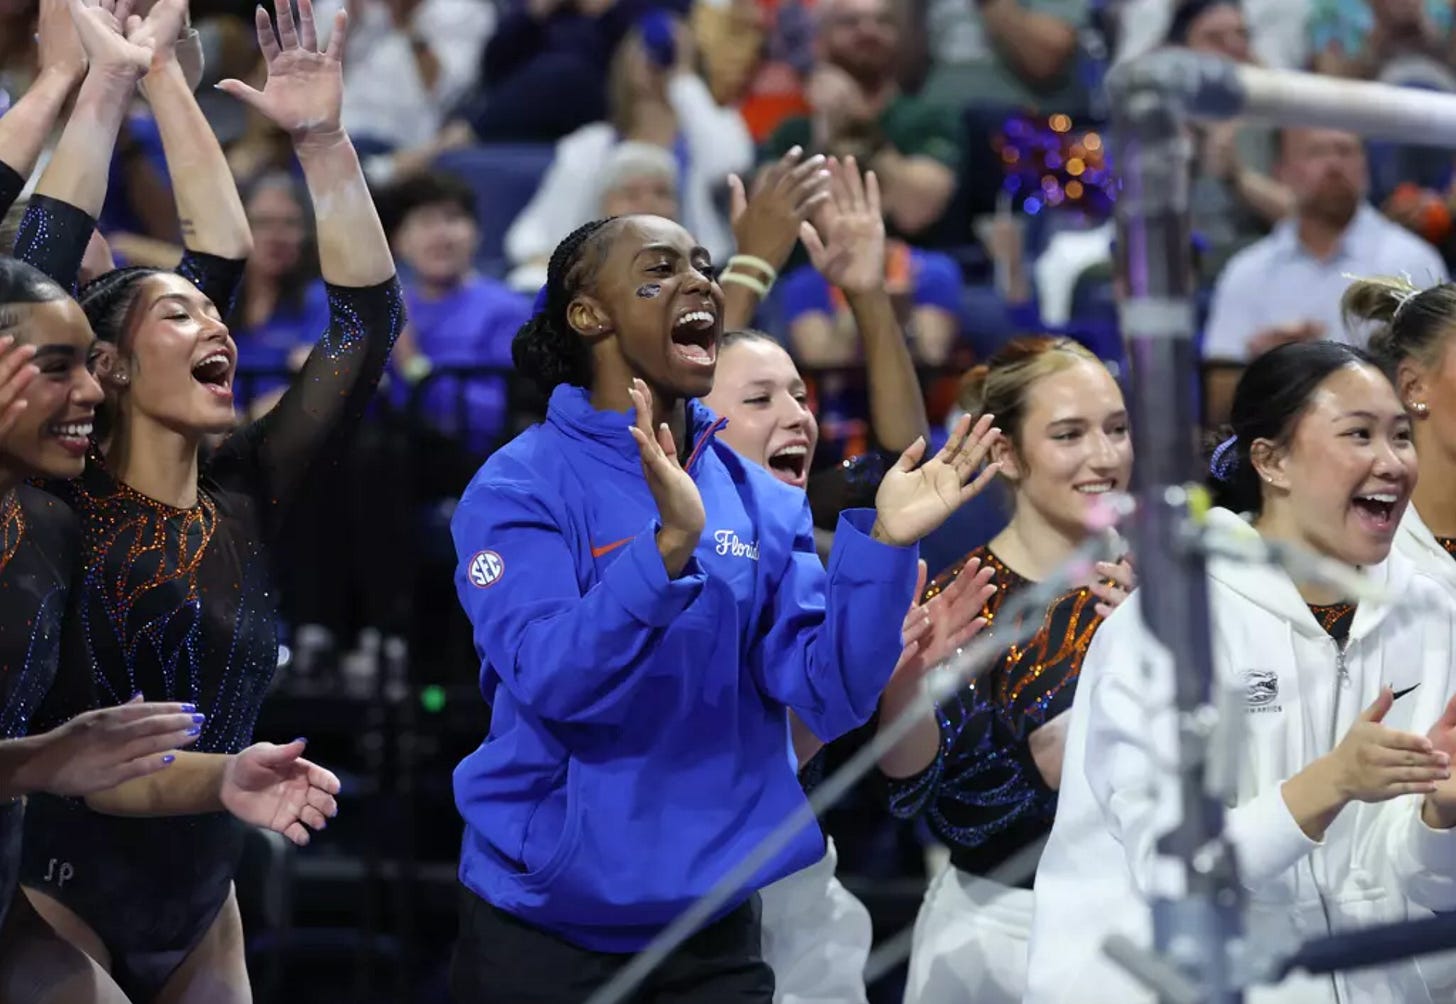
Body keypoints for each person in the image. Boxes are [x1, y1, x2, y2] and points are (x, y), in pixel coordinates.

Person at [447, 207, 998, 1001]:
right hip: (543, 926)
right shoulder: (517, 486)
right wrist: (666, 551)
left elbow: (832, 692)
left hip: (714, 928)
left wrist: (884, 543)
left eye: (703, 264)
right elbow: (551, 678)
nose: (698, 279)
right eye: (659, 270)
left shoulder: (755, 498)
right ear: (589, 314)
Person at [14, 1, 394, 1000]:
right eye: (181, 310)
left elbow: (363, 325)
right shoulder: (58, 499)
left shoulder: (251, 491)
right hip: (48, 902)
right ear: (107, 366)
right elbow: (34, 270)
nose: (214, 318)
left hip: (200, 905)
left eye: (217, 312)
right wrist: (106, 83)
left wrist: (320, 141)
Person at [1028, 340, 1456, 1004]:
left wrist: (1441, 818)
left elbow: (1419, 887)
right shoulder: (1171, 627)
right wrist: (1330, 782)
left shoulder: (1434, 613)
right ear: (1271, 459)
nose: (1393, 462)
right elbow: (1173, 878)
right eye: (1360, 435)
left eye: (1401, 436)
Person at [701, 158, 997, 1004]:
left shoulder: (819, 541)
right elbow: (691, 387)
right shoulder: (657, 538)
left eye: (801, 395)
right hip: (659, 890)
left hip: (789, 881)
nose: (799, 413)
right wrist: (750, 270)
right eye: (765, 401)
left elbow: (905, 475)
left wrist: (866, 295)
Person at [881, 335, 1135, 1004]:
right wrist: (902, 687)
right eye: (1069, 435)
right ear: (1006, 454)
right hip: (998, 932)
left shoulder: (1175, 580)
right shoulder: (962, 600)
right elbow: (917, 797)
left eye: (1116, 429)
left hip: (1148, 923)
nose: (1104, 457)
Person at [0, 258, 207, 1004]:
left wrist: (231, 777)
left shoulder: (51, 530)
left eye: (89, 365)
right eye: (56, 368)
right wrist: (36, 764)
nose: (91, 391)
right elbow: (45, 761)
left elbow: (82, 758)